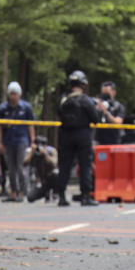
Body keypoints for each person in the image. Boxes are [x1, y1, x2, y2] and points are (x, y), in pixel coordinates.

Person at [56, 70, 100, 207]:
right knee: (85, 165)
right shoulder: (86, 100)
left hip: (65, 135)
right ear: (83, 84)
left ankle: (62, 197)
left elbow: (58, 113)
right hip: (83, 135)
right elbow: (95, 119)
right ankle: (86, 196)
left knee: (64, 166)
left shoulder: (63, 99)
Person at [0, 81, 36, 202]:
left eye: (15, 94)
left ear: (19, 94)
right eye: (11, 93)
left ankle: (23, 192)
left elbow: (31, 125)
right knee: (11, 168)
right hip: (8, 141)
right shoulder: (3, 108)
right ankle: (13, 191)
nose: (13, 96)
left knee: (22, 166)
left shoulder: (26, 107)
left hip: (22, 140)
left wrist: (32, 141)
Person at [26, 135, 59, 203]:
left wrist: (46, 154)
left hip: (51, 178)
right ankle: (45, 193)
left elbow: (54, 163)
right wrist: (32, 153)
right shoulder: (33, 151)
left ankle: (55, 193)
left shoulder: (51, 150)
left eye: (42, 145)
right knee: (30, 197)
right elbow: (24, 163)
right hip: (42, 182)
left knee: (56, 174)